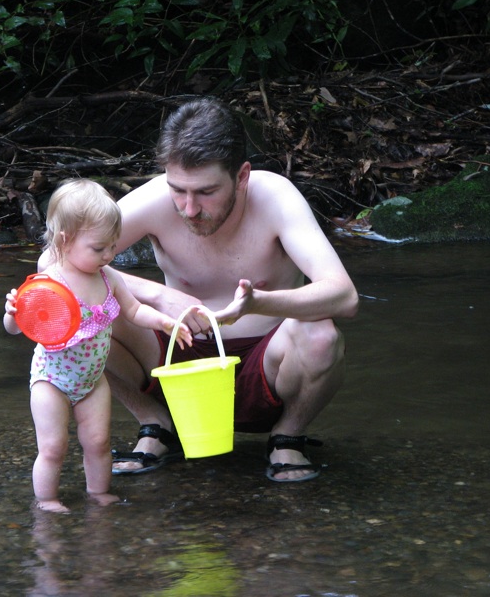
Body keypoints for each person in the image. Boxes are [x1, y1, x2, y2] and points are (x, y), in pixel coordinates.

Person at [105, 97, 359, 482]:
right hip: (176, 360)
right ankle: (156, 425)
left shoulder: (275, 197)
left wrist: (260, 303)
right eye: (179, 190)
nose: (189, 208)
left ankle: (287, 436)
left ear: (241, 176)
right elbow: (55, 263)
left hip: (267, 366)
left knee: (321, 334)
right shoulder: (155, 200)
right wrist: (158, 294)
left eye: (206, 192)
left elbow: (344, 296)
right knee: (82, 318)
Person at [4, 179, 192, 512]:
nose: (108, 255)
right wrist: (12, 313)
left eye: (112, 247)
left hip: (92, 381)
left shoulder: (108, 277)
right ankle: (47, 500)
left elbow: (134, 310)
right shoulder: (51, 283)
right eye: (98, 248)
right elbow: (19, 329)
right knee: (53, 446)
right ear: (65, 241)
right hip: (52, 379)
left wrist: (165, 321)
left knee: (98, 442)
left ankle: (98, 492)